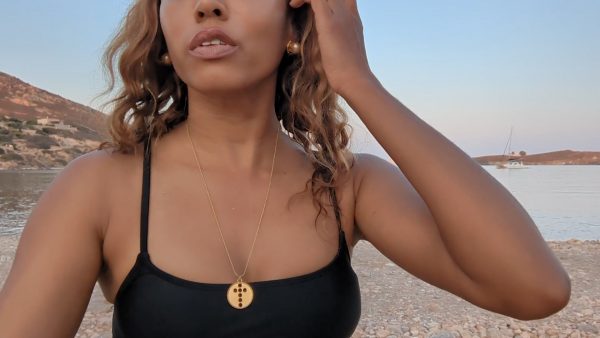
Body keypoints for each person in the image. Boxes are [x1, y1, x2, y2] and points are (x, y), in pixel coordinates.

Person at [0, 0, 571, 337]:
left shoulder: (349, 186)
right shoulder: (98, 187)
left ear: (296, 29)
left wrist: (359, 81)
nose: (208, 4)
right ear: (166, 43)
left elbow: (534, 290)